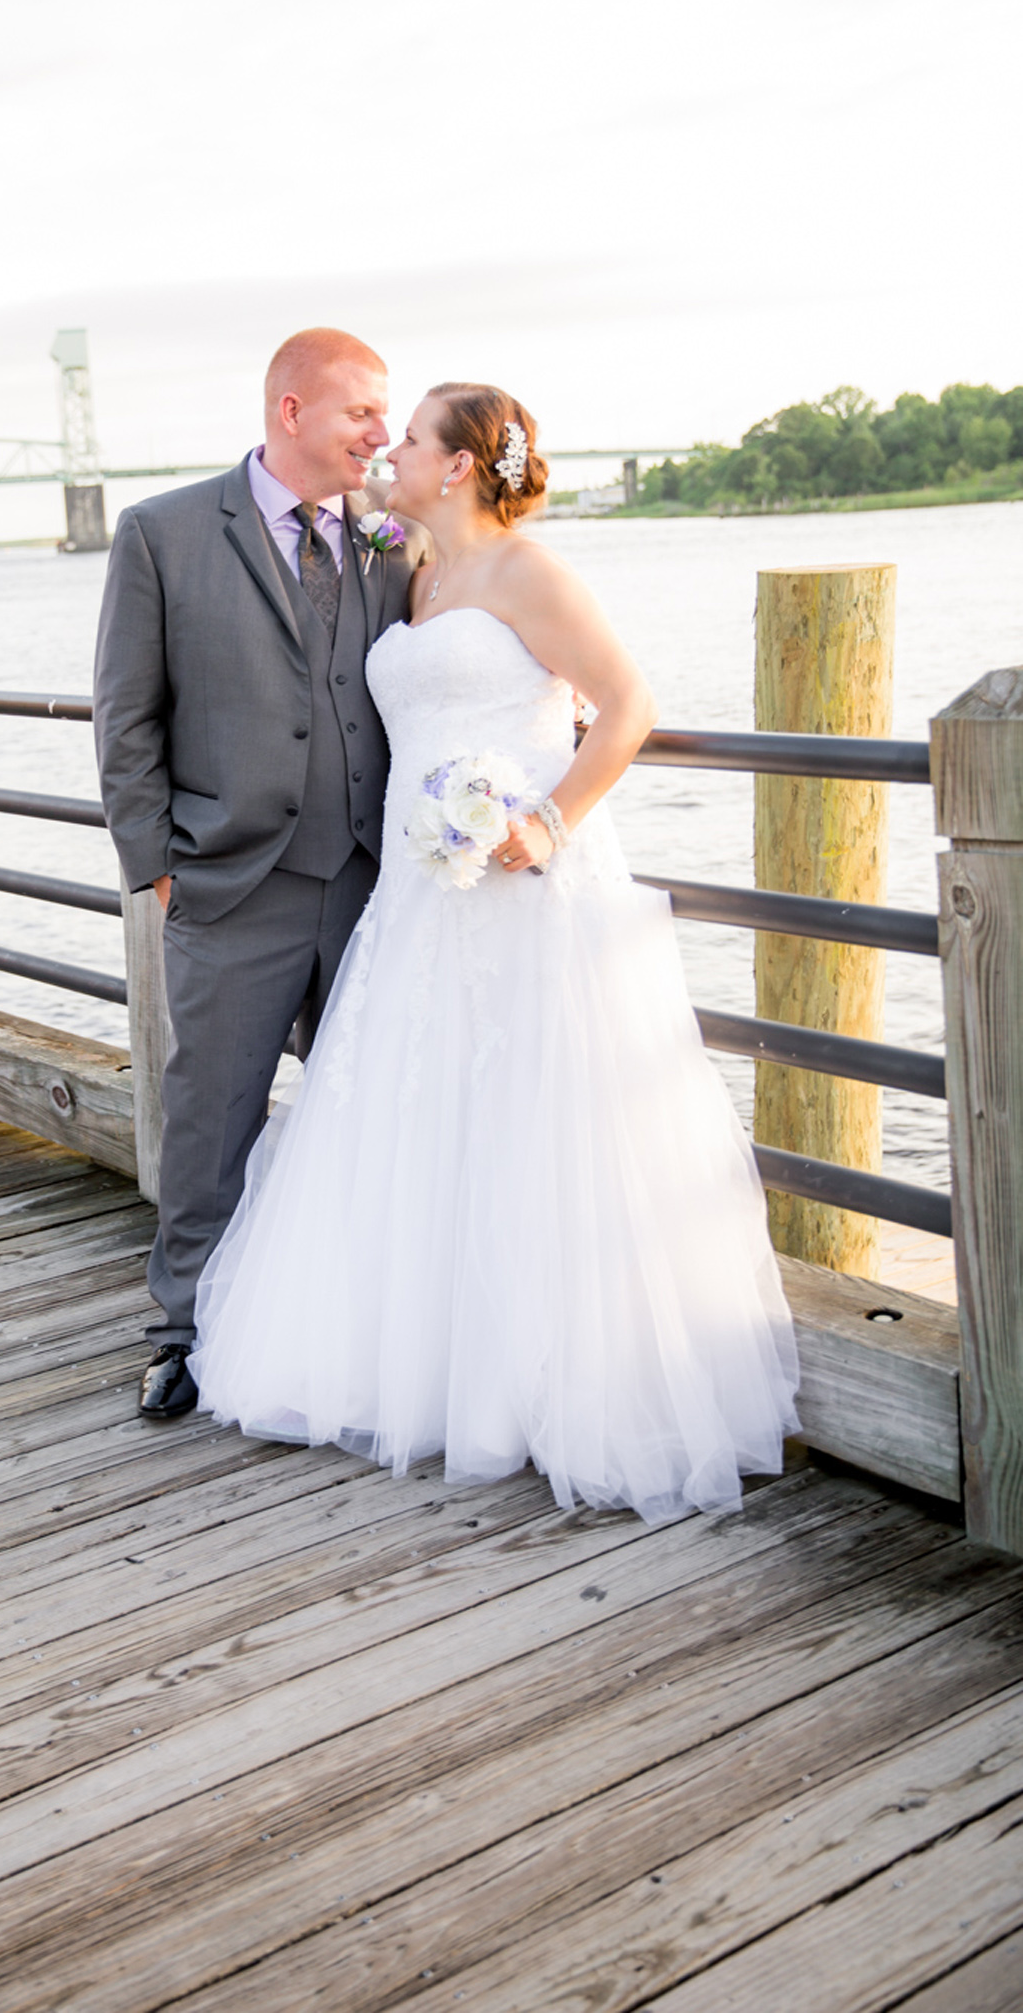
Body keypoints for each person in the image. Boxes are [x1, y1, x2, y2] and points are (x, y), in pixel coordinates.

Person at [189, 382, 800, 1524]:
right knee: (419, 1114)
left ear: (461, 465)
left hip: (525, 887)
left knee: (540, 1120)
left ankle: (550, 1385)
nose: (390, 449)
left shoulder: (529, 573)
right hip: (420, 898)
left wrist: (547, 820)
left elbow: (626, 703)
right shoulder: (411, 572)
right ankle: (427, 1369)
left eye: (412, 437)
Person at [93, 328, 433, 1419]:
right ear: (292, 412)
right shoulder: (163, 534)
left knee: (375, 1113)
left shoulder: (394, 539)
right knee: (211, 1118)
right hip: (232, 885)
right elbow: (126, 719)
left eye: (386, 415)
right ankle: (181, 1332)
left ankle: (359, 1330)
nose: (380, 433)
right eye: (361, 412)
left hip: (376, 884)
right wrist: (158, 868)